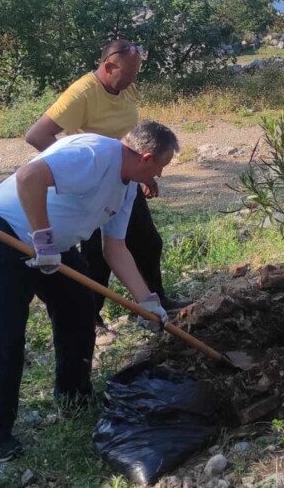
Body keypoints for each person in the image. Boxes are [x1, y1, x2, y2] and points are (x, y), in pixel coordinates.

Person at [0, 121, 178, 460]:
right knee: (3, 331)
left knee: (80, 311)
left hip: (51, 241)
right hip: (4, 232)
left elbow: (116, 248)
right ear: (147, 157)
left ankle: (73, 396)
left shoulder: (126, 188)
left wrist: (147, 301)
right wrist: (43, 240)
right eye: (162, 166)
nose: (162, 175)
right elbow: (28, 177)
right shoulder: (93, 154)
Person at [25, 40, 191, 316]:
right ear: (109, 66)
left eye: (137, 73)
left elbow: (133, 138)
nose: (134, 79)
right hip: (94, 182)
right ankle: (91, 315)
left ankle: (154, 302)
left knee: (147, 241)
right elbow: (36, 135)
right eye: (129, 73)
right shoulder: (82, 93)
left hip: (127, 174)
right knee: (95, 253)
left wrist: (146, 174)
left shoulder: (126, 88)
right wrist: (74, 167)